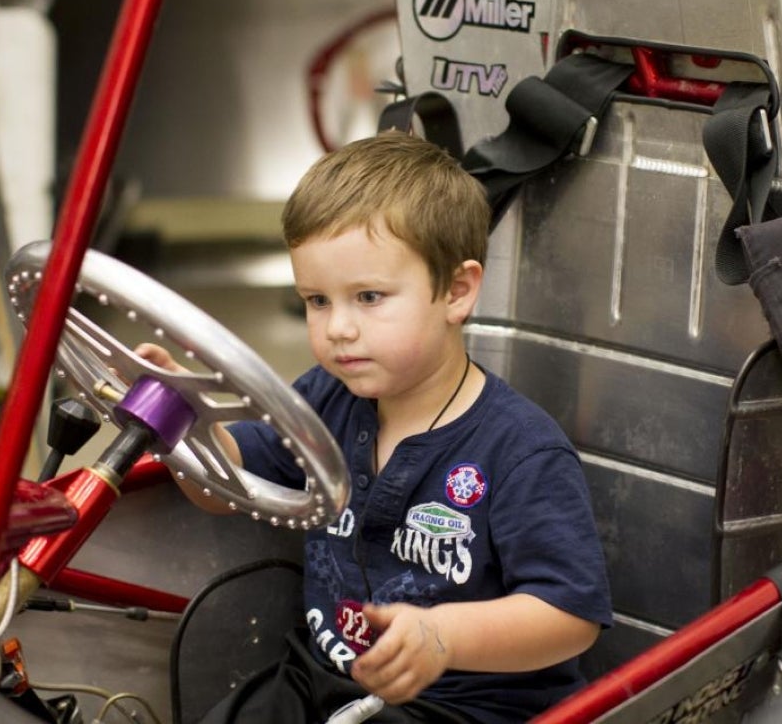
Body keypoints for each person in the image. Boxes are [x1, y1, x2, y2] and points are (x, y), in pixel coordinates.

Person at [138, 130, 611, 723]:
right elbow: (227, 488)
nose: (337, 328)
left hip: (455, 709)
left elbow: (571, 617)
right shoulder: (323, 397)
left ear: (457, 291)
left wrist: (443, 635)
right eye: (316, 300)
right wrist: (186, 428)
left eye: (368, 296)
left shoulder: (519, 450)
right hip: (318, 678)